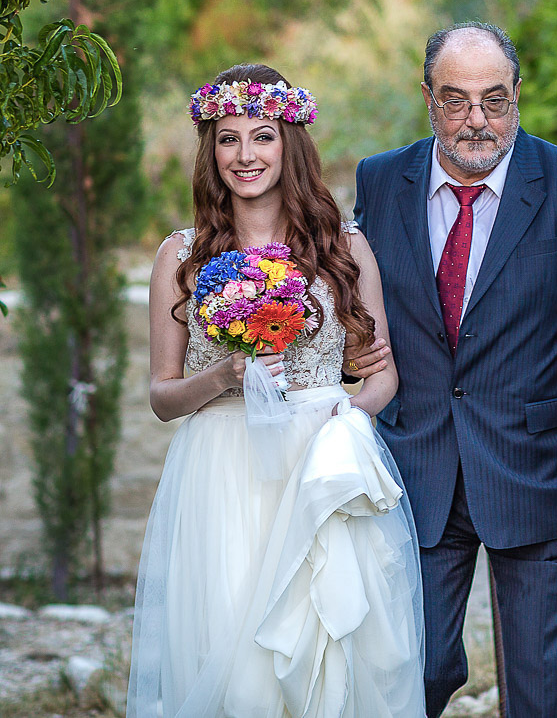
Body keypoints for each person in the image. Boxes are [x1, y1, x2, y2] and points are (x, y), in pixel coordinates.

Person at [345, 21, 557, 717]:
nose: (477, 121)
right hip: (414, 464)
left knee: (538, 691)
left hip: (541, 469)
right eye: (456, 101)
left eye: (494, 99)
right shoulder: (379, 180)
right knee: (411, 673)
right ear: (426, 98)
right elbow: (359, 311)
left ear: (519, 94)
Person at [128, 64, 425, 717]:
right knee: (237, 667)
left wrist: (346, 413)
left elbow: (383, 375)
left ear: (289, 144)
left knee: (325, 655)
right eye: (227, 139)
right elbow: (161, 396)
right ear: (211, 151)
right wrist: (222, 377)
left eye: (261, 136)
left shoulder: (344, 249)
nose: (245, 155)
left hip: (317, 463)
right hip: (222, 476)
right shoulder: (181, 256)